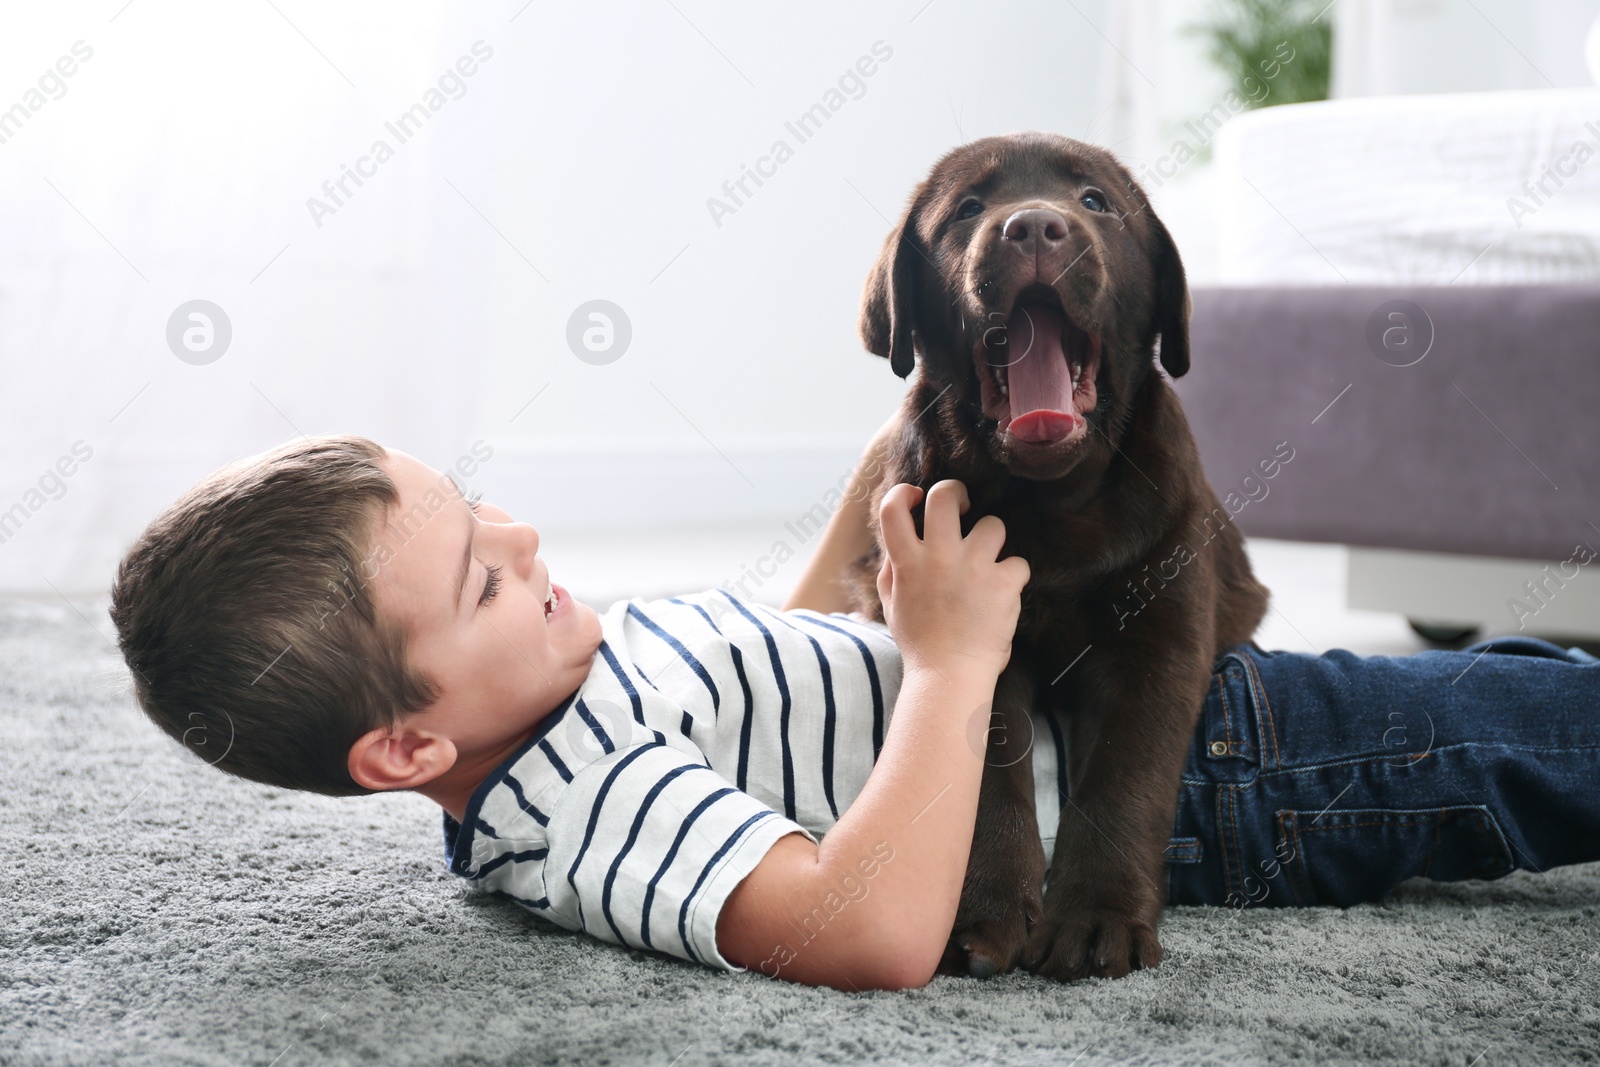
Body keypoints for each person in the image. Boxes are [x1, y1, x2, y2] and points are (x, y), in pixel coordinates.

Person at [108, 423, 1600, 992]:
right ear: (411, 748)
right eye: (478, 582)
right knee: (1515, 742)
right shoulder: (582, 807)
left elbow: (801, 648)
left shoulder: (564, 680)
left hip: (1115, 698)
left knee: (1526, 696)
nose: (520, 542)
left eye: (478, 507)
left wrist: (873, 506)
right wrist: (952, 666)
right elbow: (860, 933)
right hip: (1199, 785)